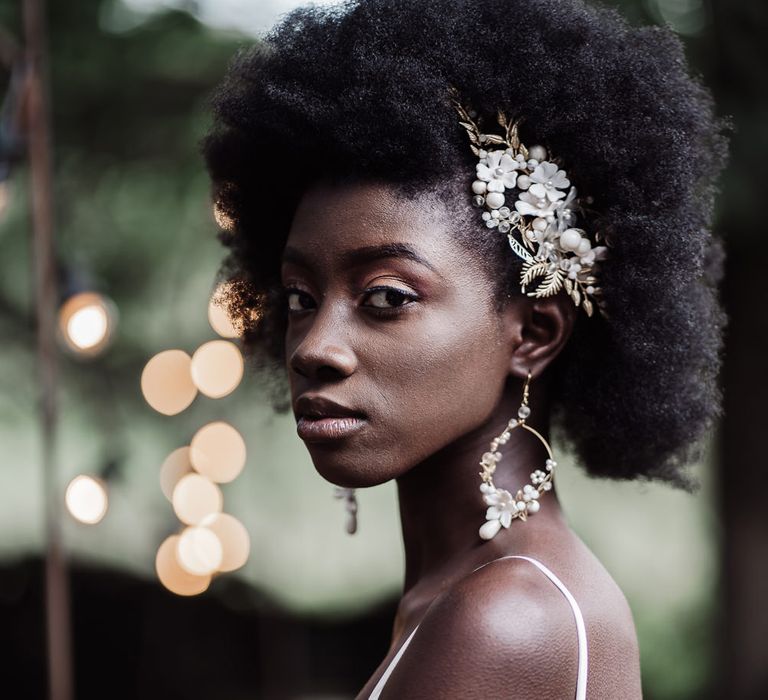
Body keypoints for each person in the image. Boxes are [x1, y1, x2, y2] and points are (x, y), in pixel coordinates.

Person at [201, 0, 728, 696]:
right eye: (300, 296)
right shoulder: (466, 594)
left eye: (387, 297)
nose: (315, 348)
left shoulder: (508, 619)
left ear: (534, 334)